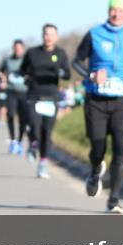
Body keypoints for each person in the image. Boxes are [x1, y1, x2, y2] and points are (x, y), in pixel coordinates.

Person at [72, 0, 123, 214]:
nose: (117, 14)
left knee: (120, 148)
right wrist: (91, 75)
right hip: (96, 99)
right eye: (113, 10)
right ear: (108, 11)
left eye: (121, 11)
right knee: (98, 145)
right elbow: (76, 61)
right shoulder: (94, 34)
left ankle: (113, 200)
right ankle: (96, 169)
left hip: (122, 99)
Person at [20, 24, 70, 178]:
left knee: (46, 132)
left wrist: (61, 72)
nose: (48, 37)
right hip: (35, 96)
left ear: (56, 37)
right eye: (46, 34)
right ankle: (33, 144)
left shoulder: (60, 54)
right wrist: (27, 78)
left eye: (52, 34)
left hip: (51, 98)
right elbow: (23, 70)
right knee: (35, 128)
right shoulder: (32, 53)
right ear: (42, 36)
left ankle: (42, 164)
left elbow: (67, 74)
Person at [0, 39, 30, 154]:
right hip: (11, 91)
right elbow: (0, 72)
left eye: (20, 48)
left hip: (24, 91)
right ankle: (13, 140)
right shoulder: (8, 60)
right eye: (16, 48)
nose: (18, 50)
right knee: (10, 115)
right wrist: (1, 79)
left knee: (23, 118)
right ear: (13, 49)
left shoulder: (27, 60)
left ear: (23, 48)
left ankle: (20, 141)